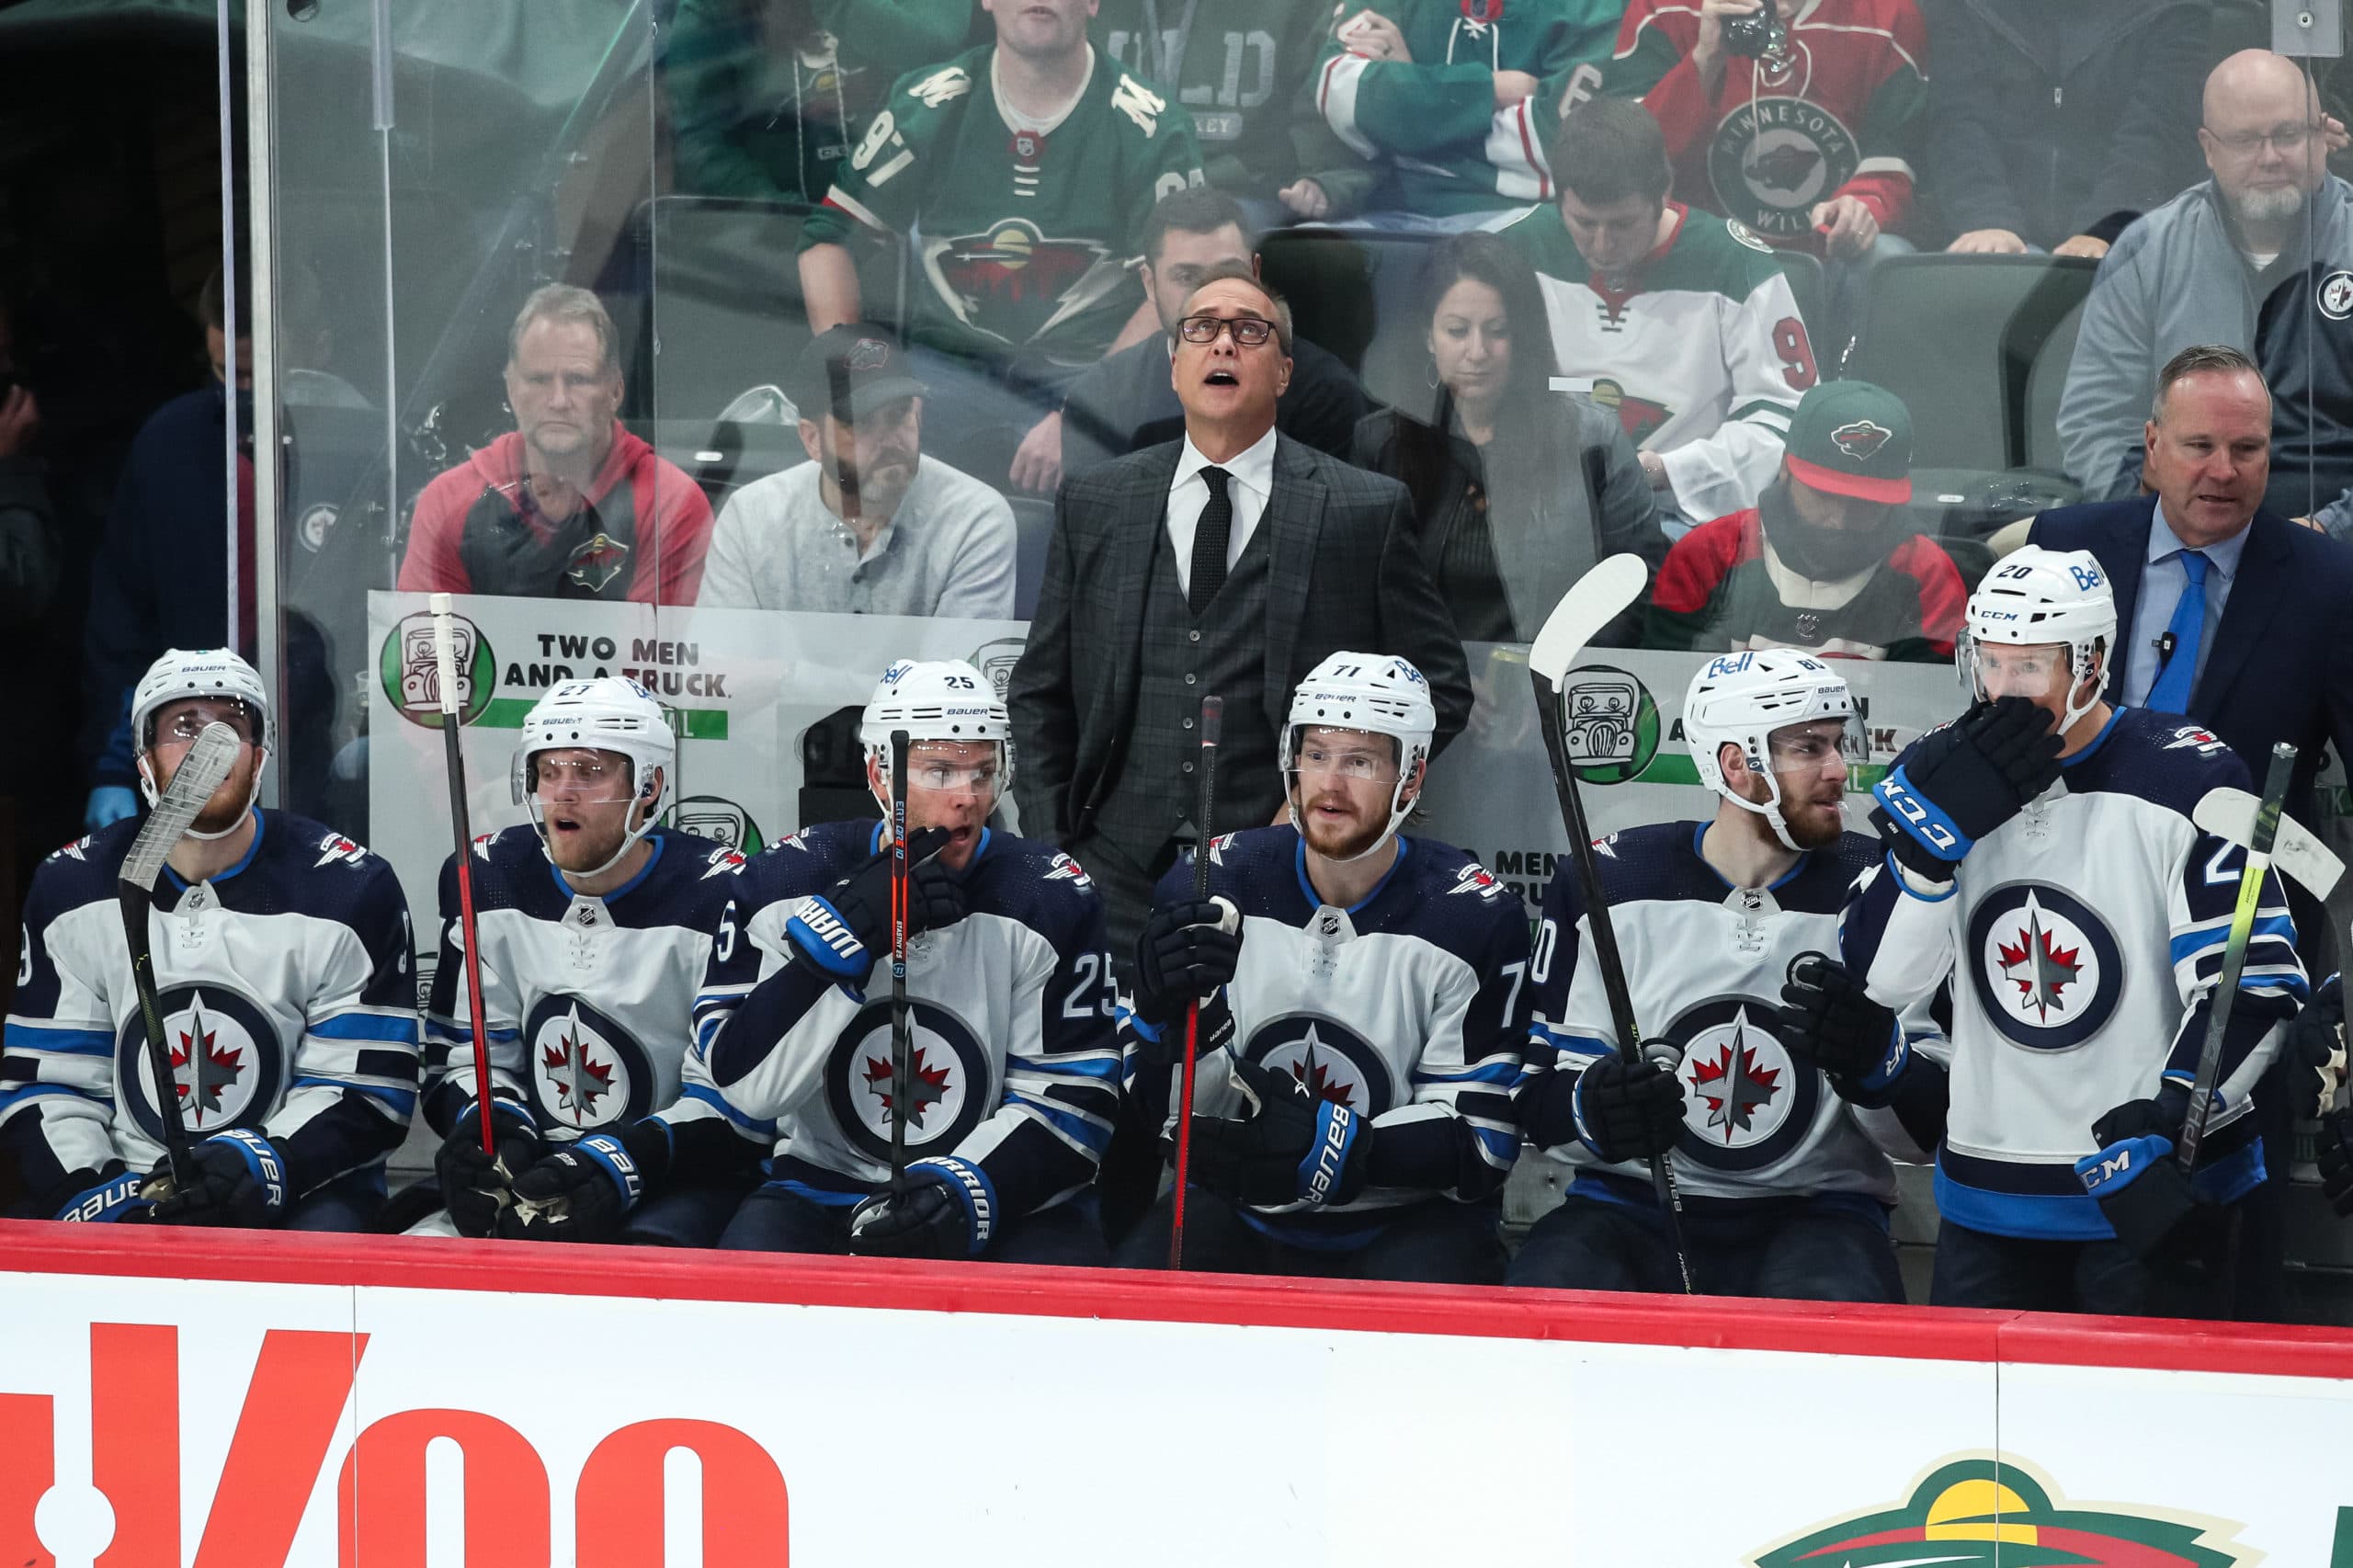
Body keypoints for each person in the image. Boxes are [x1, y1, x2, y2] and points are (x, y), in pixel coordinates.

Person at [509, 661, 1121, 1264]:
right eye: (939, 771)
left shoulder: (1045, 893)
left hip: (1004, 1202)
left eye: (983, 772)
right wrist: (833, 948)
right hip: (815, 1191)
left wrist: (961, 1193)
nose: (967, 797)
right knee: (737, 1302)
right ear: (879, 774)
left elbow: (1073, 1104)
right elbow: (745, 1093)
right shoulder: (786, 879)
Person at [1841, 547, 2306, 1316]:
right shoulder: (1934, 772)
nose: (2001, 690)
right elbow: (1882, 984)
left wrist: (2175, 1110)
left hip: (2149, 1190)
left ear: (2091, 662)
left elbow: (2252, 985)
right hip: (1988, 1193)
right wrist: (1927, 856)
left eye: (2030, 666)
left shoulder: (2192, 773)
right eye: (1990, 662)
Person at [1007, 263, 1472, 969]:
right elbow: (1040, 692)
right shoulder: (1098, 500)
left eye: (1249, 331)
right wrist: (1056, 851)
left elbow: (1438, 688)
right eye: (1201, 329)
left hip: (1284, 880)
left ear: (1284, 372)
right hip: (1112, 876)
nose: (1223, 343)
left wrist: (1325, 802)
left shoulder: (1362, 509)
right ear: (1174, 366)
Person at [2031, 345, 2353, 1321]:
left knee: (2224, 1226)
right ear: (2150, 446)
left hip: (2241, 938)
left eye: (2246, 449)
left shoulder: (2326, 578)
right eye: (2199, 445)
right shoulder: (2065, 545)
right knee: (2060, 1195)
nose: (2222, 471)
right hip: (2068, 918)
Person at [1507, 650, 1931, 1300]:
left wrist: (1880, 1066)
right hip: (1630, 1208)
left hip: (1819, 1213)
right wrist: (1595, 1108)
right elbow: (1538, 1101)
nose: (1838, 770)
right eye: (1809, 748)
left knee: (1830, 1337)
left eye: (1838, 744)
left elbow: (1922, 1142)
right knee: (1543, 1312)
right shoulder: (1610, 882)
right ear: (1736, 763)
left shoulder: (1884, 889)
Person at [1112, 652, 1528, 1281]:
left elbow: (1482, 1141)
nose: (1330, 784)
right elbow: (1168, 1113)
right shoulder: (1213, 883)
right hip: (1240, 1210)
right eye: (1316, 754)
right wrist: (1162, 1028)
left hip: (1405, 1221)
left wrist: (1335, 1146)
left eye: (1360, 761)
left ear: (1412, 776)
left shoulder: (1471, 915)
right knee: (1129, 1308)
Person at [4, 649, 418, 1230]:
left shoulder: (347, 887)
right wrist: (104, 1195)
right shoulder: (73, 885)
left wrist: (257, 1164)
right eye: (184, 726)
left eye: (231, 726)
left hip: (296, 1189)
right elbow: (49, 1082)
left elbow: (365, 1089)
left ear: (260, 752)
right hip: (129, 1184)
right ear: (144, 755)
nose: (209, 746)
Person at [399, 678, 756, 1246]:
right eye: (549, 771)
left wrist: (627, 1160)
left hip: (674, 1180)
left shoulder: (722, 892)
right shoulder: (489, 875)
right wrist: (495, 1124)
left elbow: (742, 1100)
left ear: (649, 785)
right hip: (539, 1172)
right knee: (420, 1254)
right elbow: (467, 1056)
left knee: (642, 1272)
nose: (563, 793)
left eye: (590, 771)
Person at [794, 0, 1205, 478]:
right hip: (945, 376)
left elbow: (1186, 283)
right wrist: (858, 374)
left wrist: (1092, 407)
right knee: (866, 471)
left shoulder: (1153, 127)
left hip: (1091, 373)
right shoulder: (926, 106)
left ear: (1093, 2)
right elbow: (828, 240)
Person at [1499, 97, 1817, 531]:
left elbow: (1786, 417)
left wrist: (1669, 471)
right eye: (1585, 223)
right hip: (1542, 506)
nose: (1603, 245)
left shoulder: (1737, 265)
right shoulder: (1512, 252)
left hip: (1679, 514)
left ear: (1663, 194)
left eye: (1623, 224)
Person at [2057, 51, 2353, 506]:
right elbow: (2095, 427)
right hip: (2182, 526)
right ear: (2209, 149)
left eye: (2288, 135)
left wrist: (2330, 529)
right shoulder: (2147, 253)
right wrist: (2160, 526)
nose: (2270, 157)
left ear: (2322, 134)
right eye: (2245, 140)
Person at [1349, 232, 1666, 643]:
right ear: (1429, 336)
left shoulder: (1593, 438)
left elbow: (1637, 579)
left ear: (1521, 336)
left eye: (1496, 331)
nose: (1477, 352)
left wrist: (1556, 668)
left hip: (1554, 672)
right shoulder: (1382, 442)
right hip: (1422, 675)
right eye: (1457, 331)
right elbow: (1362, 592)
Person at [396, 284, 713, 603]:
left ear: (615, 391)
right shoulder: (448, 503)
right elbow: (426, 634)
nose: (558, 400)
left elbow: (651, 638)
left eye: (577, 380)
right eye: (539, 380)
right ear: (511, 390)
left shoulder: (669, 504)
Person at [1055, 187, 1370, 485]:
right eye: (1186, 276)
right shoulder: (1100, 399)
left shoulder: (1322, 394)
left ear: (1255, 273)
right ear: (1150, 284)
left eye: (1228, 271)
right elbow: (1095, 521)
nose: (1210, 293)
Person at [696, 325, 1018, 616]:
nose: (890, 440)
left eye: (899, 414)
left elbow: (959, 666)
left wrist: (781, 667)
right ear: (812, 440)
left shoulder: (973, 520)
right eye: (861, 423)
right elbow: (721, 661)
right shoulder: (751, 518)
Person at [1644, 379, 1965, 660]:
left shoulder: (1926, 575)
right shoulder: (1709, 555)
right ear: (1786, 467)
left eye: (1865, 504)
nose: (1840, 520)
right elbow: (1664, 688)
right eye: (1824, 495)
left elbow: (1932, 702)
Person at [1603, 0, 1927, 264]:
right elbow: (1625, 162)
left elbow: (1893, 153)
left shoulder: (1888, 15)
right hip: (1699, 248)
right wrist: (1704, 59)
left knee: (1884, 255)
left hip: (1827, 253)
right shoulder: (1663, 8)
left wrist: (1862, 205)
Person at [1312, 0, 1626, 233]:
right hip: (1387, 208)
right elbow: (1339, 90)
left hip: (1517, 219)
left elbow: (1561, 147)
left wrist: (1411, 89)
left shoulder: (1591, 6)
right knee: (1307, 260)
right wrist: (1490, 91)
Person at [1927, 0, 2208, 258]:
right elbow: (1959, 123)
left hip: (2130, 236)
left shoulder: (2173, 10)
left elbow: (2156, 134)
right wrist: (1988, 219)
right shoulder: (1967, 8)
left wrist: (2106, 226)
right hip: (1988, 230)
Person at [662, 0, 972, 210]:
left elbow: (936, 50)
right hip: (767, 245)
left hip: (906, 231)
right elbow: (697, 139)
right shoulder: (711, 9)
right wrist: (779, 212)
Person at [1094, 0, 1370, 224]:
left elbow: (1323, 107)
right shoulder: (1086, 10)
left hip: (1244, 197)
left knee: (1201, 243)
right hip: (1116, 199)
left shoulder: (1300, 7)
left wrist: (1324, 180)